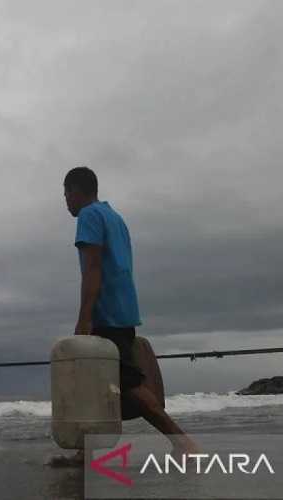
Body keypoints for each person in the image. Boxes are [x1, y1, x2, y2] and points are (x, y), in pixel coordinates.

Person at [64, 166, 198, 456]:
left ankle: (183, 443)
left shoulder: (89, 215)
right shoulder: (115, 217)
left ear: (75, 190)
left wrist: (84, 317)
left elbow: (93, 268)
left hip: (106, 312)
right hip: (123, 308)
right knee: (99, 383)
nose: (65, 201)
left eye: (66, 194)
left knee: (125, 383)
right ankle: (83, 455)